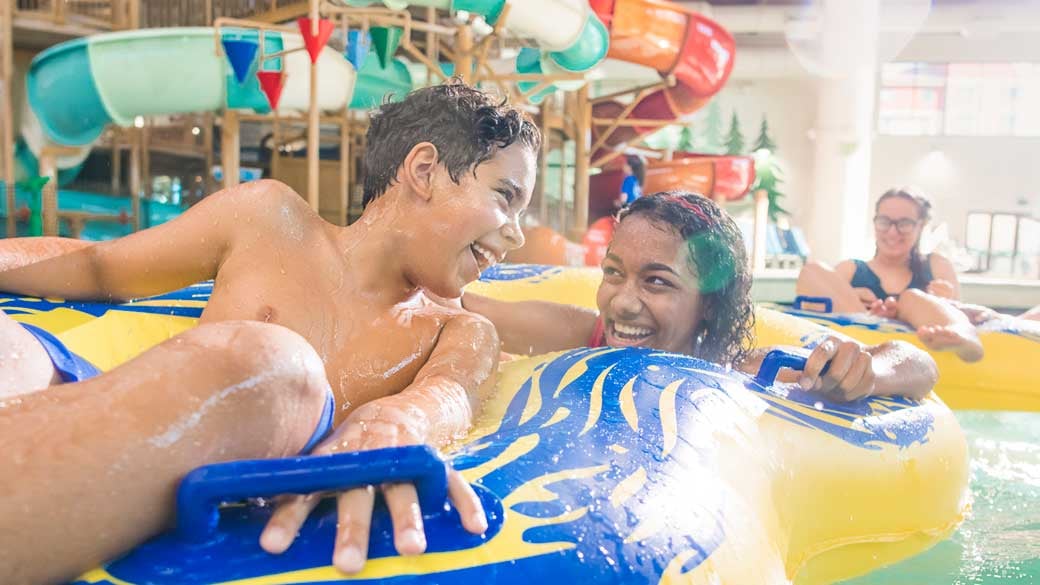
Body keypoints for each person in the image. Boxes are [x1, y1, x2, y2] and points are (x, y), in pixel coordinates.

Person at [0, 81, 539, 583]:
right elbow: (101, 267)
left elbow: (440, 399)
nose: (516, 235)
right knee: (11, 347)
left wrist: (392, 427)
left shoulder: (461, 330)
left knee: (275, 368)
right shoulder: (268, 219)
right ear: (424, 170)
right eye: (506, 196)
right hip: (124, 415)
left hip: (223, 458)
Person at [464, 192, 938, 402]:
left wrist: (868, 371)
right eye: (613, 273)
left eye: (657, 282)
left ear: (709, 302)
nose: (624, 302)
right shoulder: (581, 334)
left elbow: (919, 365)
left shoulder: (739, 371)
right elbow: (466, 308)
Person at [797, 187, 984, 363]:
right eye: (884, 222)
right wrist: (856, 302)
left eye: (904, 224)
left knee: (911, 297)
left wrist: (946, 302)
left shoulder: (937, 266)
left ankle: (964, 334)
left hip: (922, 343)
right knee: (813, 270)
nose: (892, 232)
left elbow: (964, 308)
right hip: (861, 337)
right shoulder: (850, 270)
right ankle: (867, 323)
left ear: (921, 226)